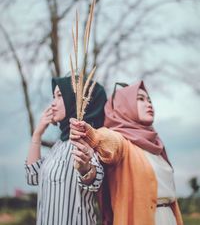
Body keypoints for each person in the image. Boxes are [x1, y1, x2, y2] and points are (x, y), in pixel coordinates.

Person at [70, 81, 183, 225]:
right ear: (123, 106)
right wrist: (90, 134)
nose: (149, 104)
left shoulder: (156, 145)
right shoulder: (123, 142)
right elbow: (108, 139)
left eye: (149, 100)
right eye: (140, 99)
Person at [25, 76, 107, 225]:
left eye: (59, 96)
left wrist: (86, 168)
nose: (52, 104)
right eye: (53, 97)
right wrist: (37, 133)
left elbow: (95, 180)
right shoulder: (59, 145)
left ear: (74, 100)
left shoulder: (85, 139)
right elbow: (33, 175)